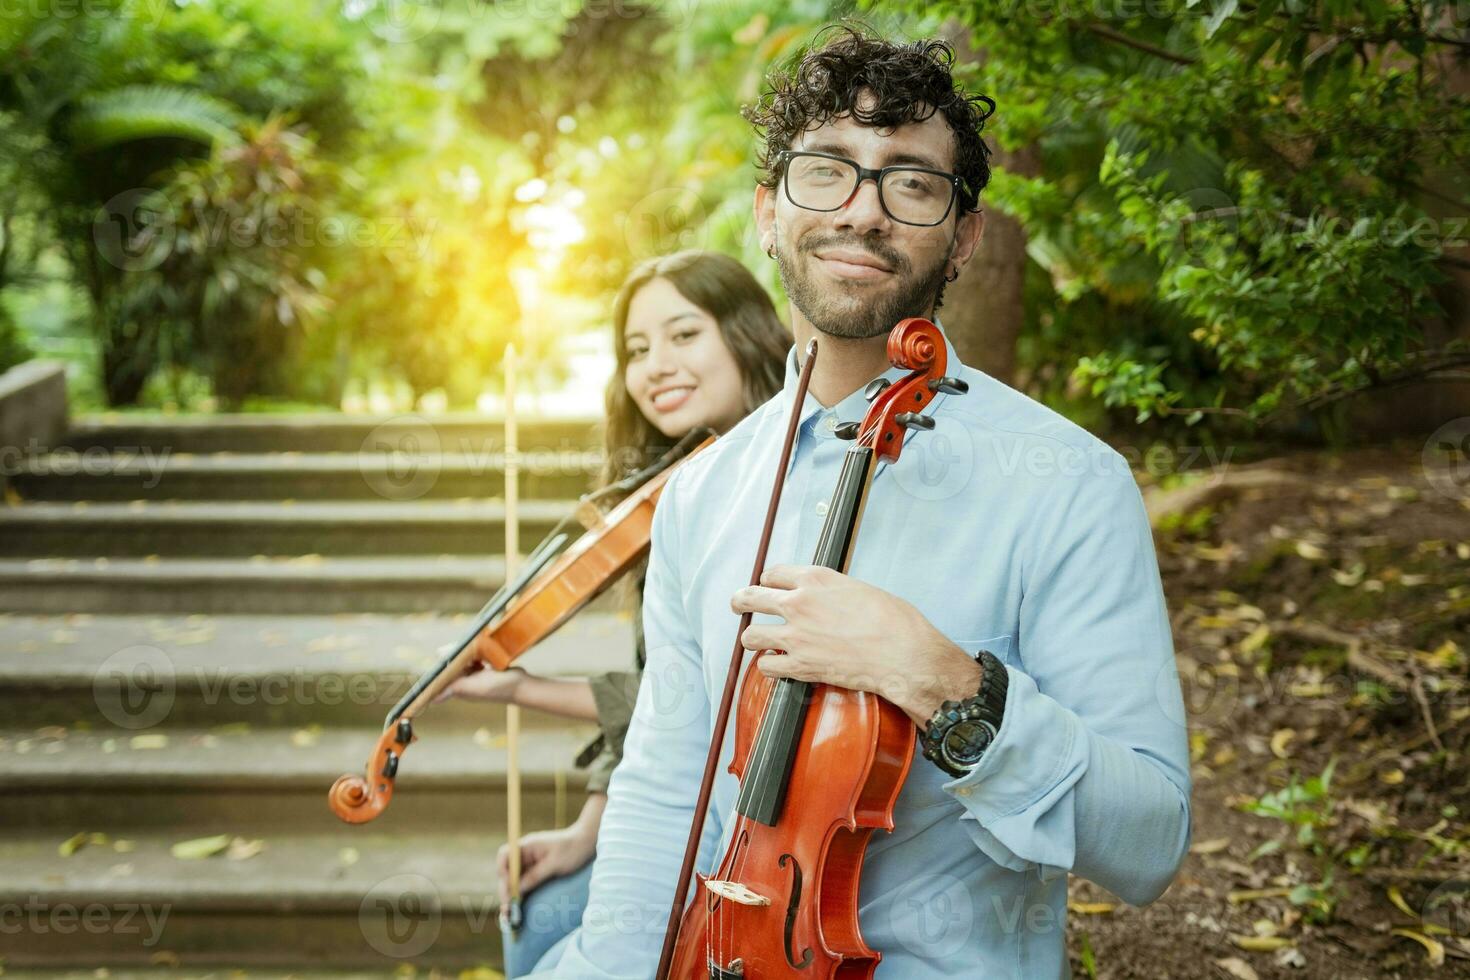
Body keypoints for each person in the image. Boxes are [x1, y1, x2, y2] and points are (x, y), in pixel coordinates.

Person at [535, 25, 1193, 978]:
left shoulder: (1070, 483)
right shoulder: (705, 494)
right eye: (827, 170)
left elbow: (1150, 843)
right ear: (769, 213)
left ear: (963, 235)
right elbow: (665, 791)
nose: (863, 210)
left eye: (911, 182)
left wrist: (941, 681)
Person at [437, 249, 789, 976]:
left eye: (684, 335)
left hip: (753, 813)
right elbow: (653, 681)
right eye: (636, 349)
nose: (655, 365)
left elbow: (713, 700)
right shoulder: (673, 490)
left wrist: (524, 689)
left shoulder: (787, 480)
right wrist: (586, 831)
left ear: (747, 334)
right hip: (670, 802)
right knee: (536, 913)